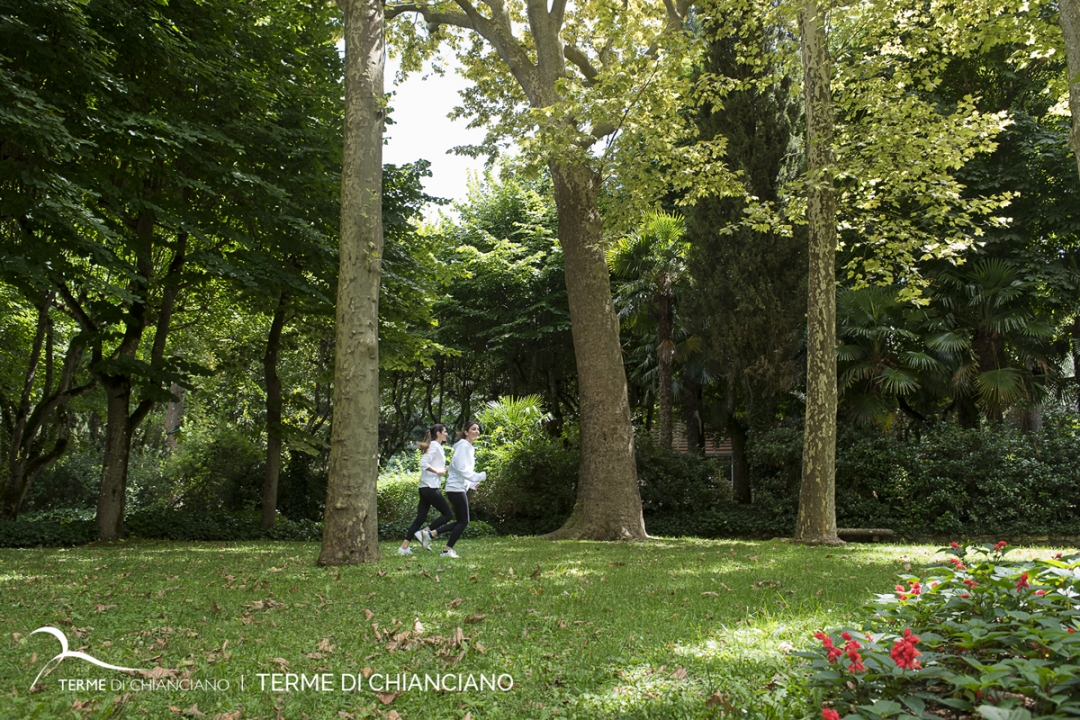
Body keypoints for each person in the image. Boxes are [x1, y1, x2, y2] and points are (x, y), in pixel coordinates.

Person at [428, 421, 485, 559]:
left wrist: (472, 483)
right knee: (463, 521)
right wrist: (479, 476)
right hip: (455, 488)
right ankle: (446, 550)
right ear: (466, 432)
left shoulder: (469, 447)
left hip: (458, 487)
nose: (476, 431)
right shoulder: (463, 446)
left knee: (461, 520)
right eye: (473, 429)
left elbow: (460, 470)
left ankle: (431, 534)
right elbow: (460, 468)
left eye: (478, 429)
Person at [398, 424, 454, 556]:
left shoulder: (437, 446)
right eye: (445, 432)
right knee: (448, 514)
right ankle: (425, 533)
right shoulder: (435, 445)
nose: (446, 434)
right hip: (429, 487)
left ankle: (404, 547)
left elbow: (435, 466)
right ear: (439, 433)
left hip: (425, 487)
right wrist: (437, 471)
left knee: (420, 518)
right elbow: (423, 463)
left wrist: (445, 469)